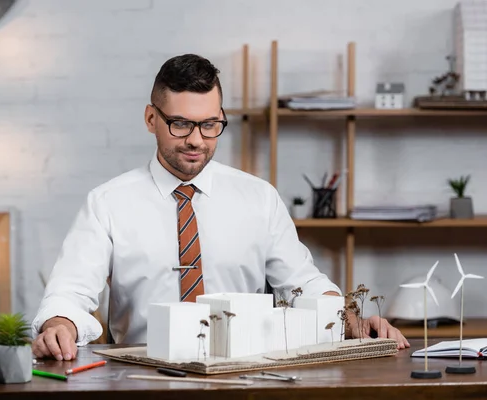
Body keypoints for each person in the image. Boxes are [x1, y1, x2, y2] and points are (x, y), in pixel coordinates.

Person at [31, 54, 409, 361]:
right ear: (151, 119)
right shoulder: (107, 203)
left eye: (211, 124)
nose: (196, 140)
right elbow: (70, 292)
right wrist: (60, 325)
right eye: (180, 124)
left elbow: (303, 282)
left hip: (246, 374)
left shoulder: (259, 198)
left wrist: (351, 321)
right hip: (142, 374)